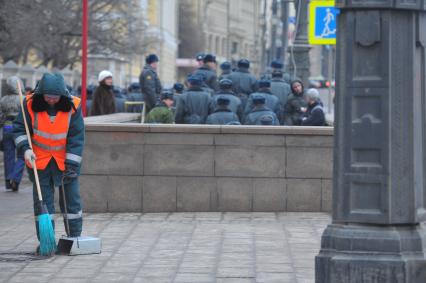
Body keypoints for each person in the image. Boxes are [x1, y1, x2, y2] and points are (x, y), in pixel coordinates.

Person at [13, 72, 85, 250]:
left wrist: (72, 165)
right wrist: (25, 149)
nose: (51, 101)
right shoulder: (29, 104)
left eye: (55, 98)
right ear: (41, 95)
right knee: (42, 203)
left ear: (62, 95)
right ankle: (46, 241)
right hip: (39, 160)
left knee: (71, 201)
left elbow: (76, 137)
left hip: (65, 161)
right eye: (48, 97)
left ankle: (74, 238)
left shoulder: (74, 106)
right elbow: (19, 129)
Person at [1, 76, 25, 191]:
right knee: (22, 155)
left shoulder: (3, 99)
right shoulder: (23, 99)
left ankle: (8, 181)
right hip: (20, 129)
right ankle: (15, 178)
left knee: (8, 156)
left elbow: (0, 117)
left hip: (7, 127)